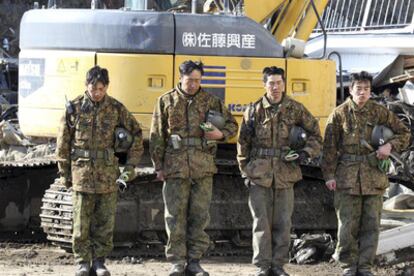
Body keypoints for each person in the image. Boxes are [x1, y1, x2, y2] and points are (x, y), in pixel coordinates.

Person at [150, 60, 238, 276]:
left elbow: (233, 125)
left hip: (202, 168)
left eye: (197, 81)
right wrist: (158, 166)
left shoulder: (211, 101)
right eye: (190, 80)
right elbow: (157, 136)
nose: (193, 85)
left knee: (199, 216)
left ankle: (195, 261)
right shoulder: (166, 101)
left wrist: (220, 135)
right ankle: (177, 262)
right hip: (175, 167)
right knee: (174, 216)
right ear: (181, 78)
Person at [56, 66, 144, 276]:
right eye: (93, 88)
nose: (97, 93)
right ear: (86, 86)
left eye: (101, 89)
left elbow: (137, 133)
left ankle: (99, 262)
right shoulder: (74, 109)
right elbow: (63, 143)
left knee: (104, 223)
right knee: (81, 224)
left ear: (106, 87)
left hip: (107, 176)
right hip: (81, 175)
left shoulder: (116, 109)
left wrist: (130, 167)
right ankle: (82, 263)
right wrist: (65, 173)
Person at [322, 71, 410, 276]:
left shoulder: (380, 112)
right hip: (346, 177)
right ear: (350, 90)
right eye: (358, 88)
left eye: (366, 89)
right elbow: (328, 148)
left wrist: (390, 145)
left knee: (371, 225)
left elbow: (405, 133)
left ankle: (365, 267)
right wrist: (329, 176)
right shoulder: (339, 114)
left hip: (374, 177)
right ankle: (348, 267)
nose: (362, 92)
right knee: (347, 227)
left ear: (370, 91)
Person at [237, 66, 322, 276]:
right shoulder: (253, 110)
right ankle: (262, 267)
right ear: (264, 84)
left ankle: (278, 266)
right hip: (259, 175)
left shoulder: (295, 109)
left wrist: (306, 153)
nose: (275, 87)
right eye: (271, 83)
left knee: (283, 223)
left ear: (284, 84)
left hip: (285, 173)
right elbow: (242, 143)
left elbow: (316, 135)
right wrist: (245, 171)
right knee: (261, 224)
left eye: (279, 83)